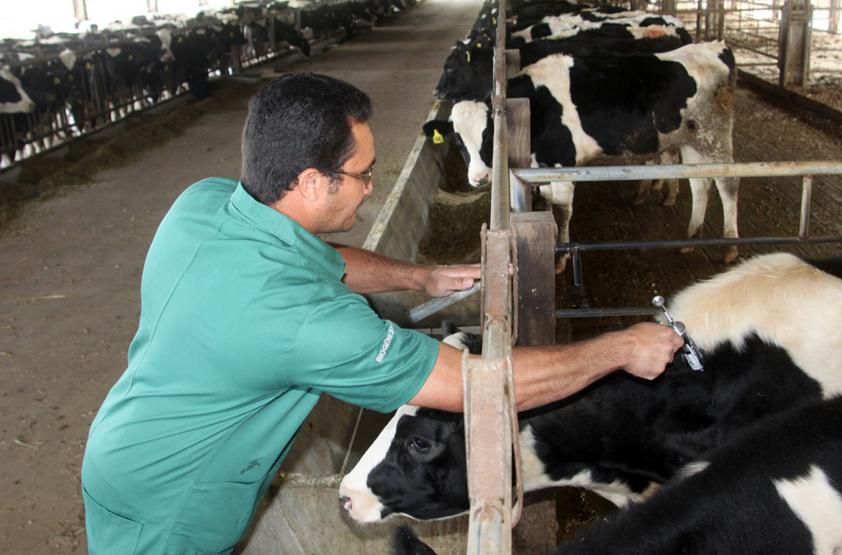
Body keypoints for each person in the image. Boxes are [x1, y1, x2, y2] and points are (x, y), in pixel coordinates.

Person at [81, 73, 683, 554]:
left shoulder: (205, 204)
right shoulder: (307, 323)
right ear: (313, 182)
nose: (371, 187)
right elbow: (481, 386)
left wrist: (419, 276)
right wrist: (622, 349)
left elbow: (319, 260)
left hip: (126, 445)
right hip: (172, 508)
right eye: (363, 175)